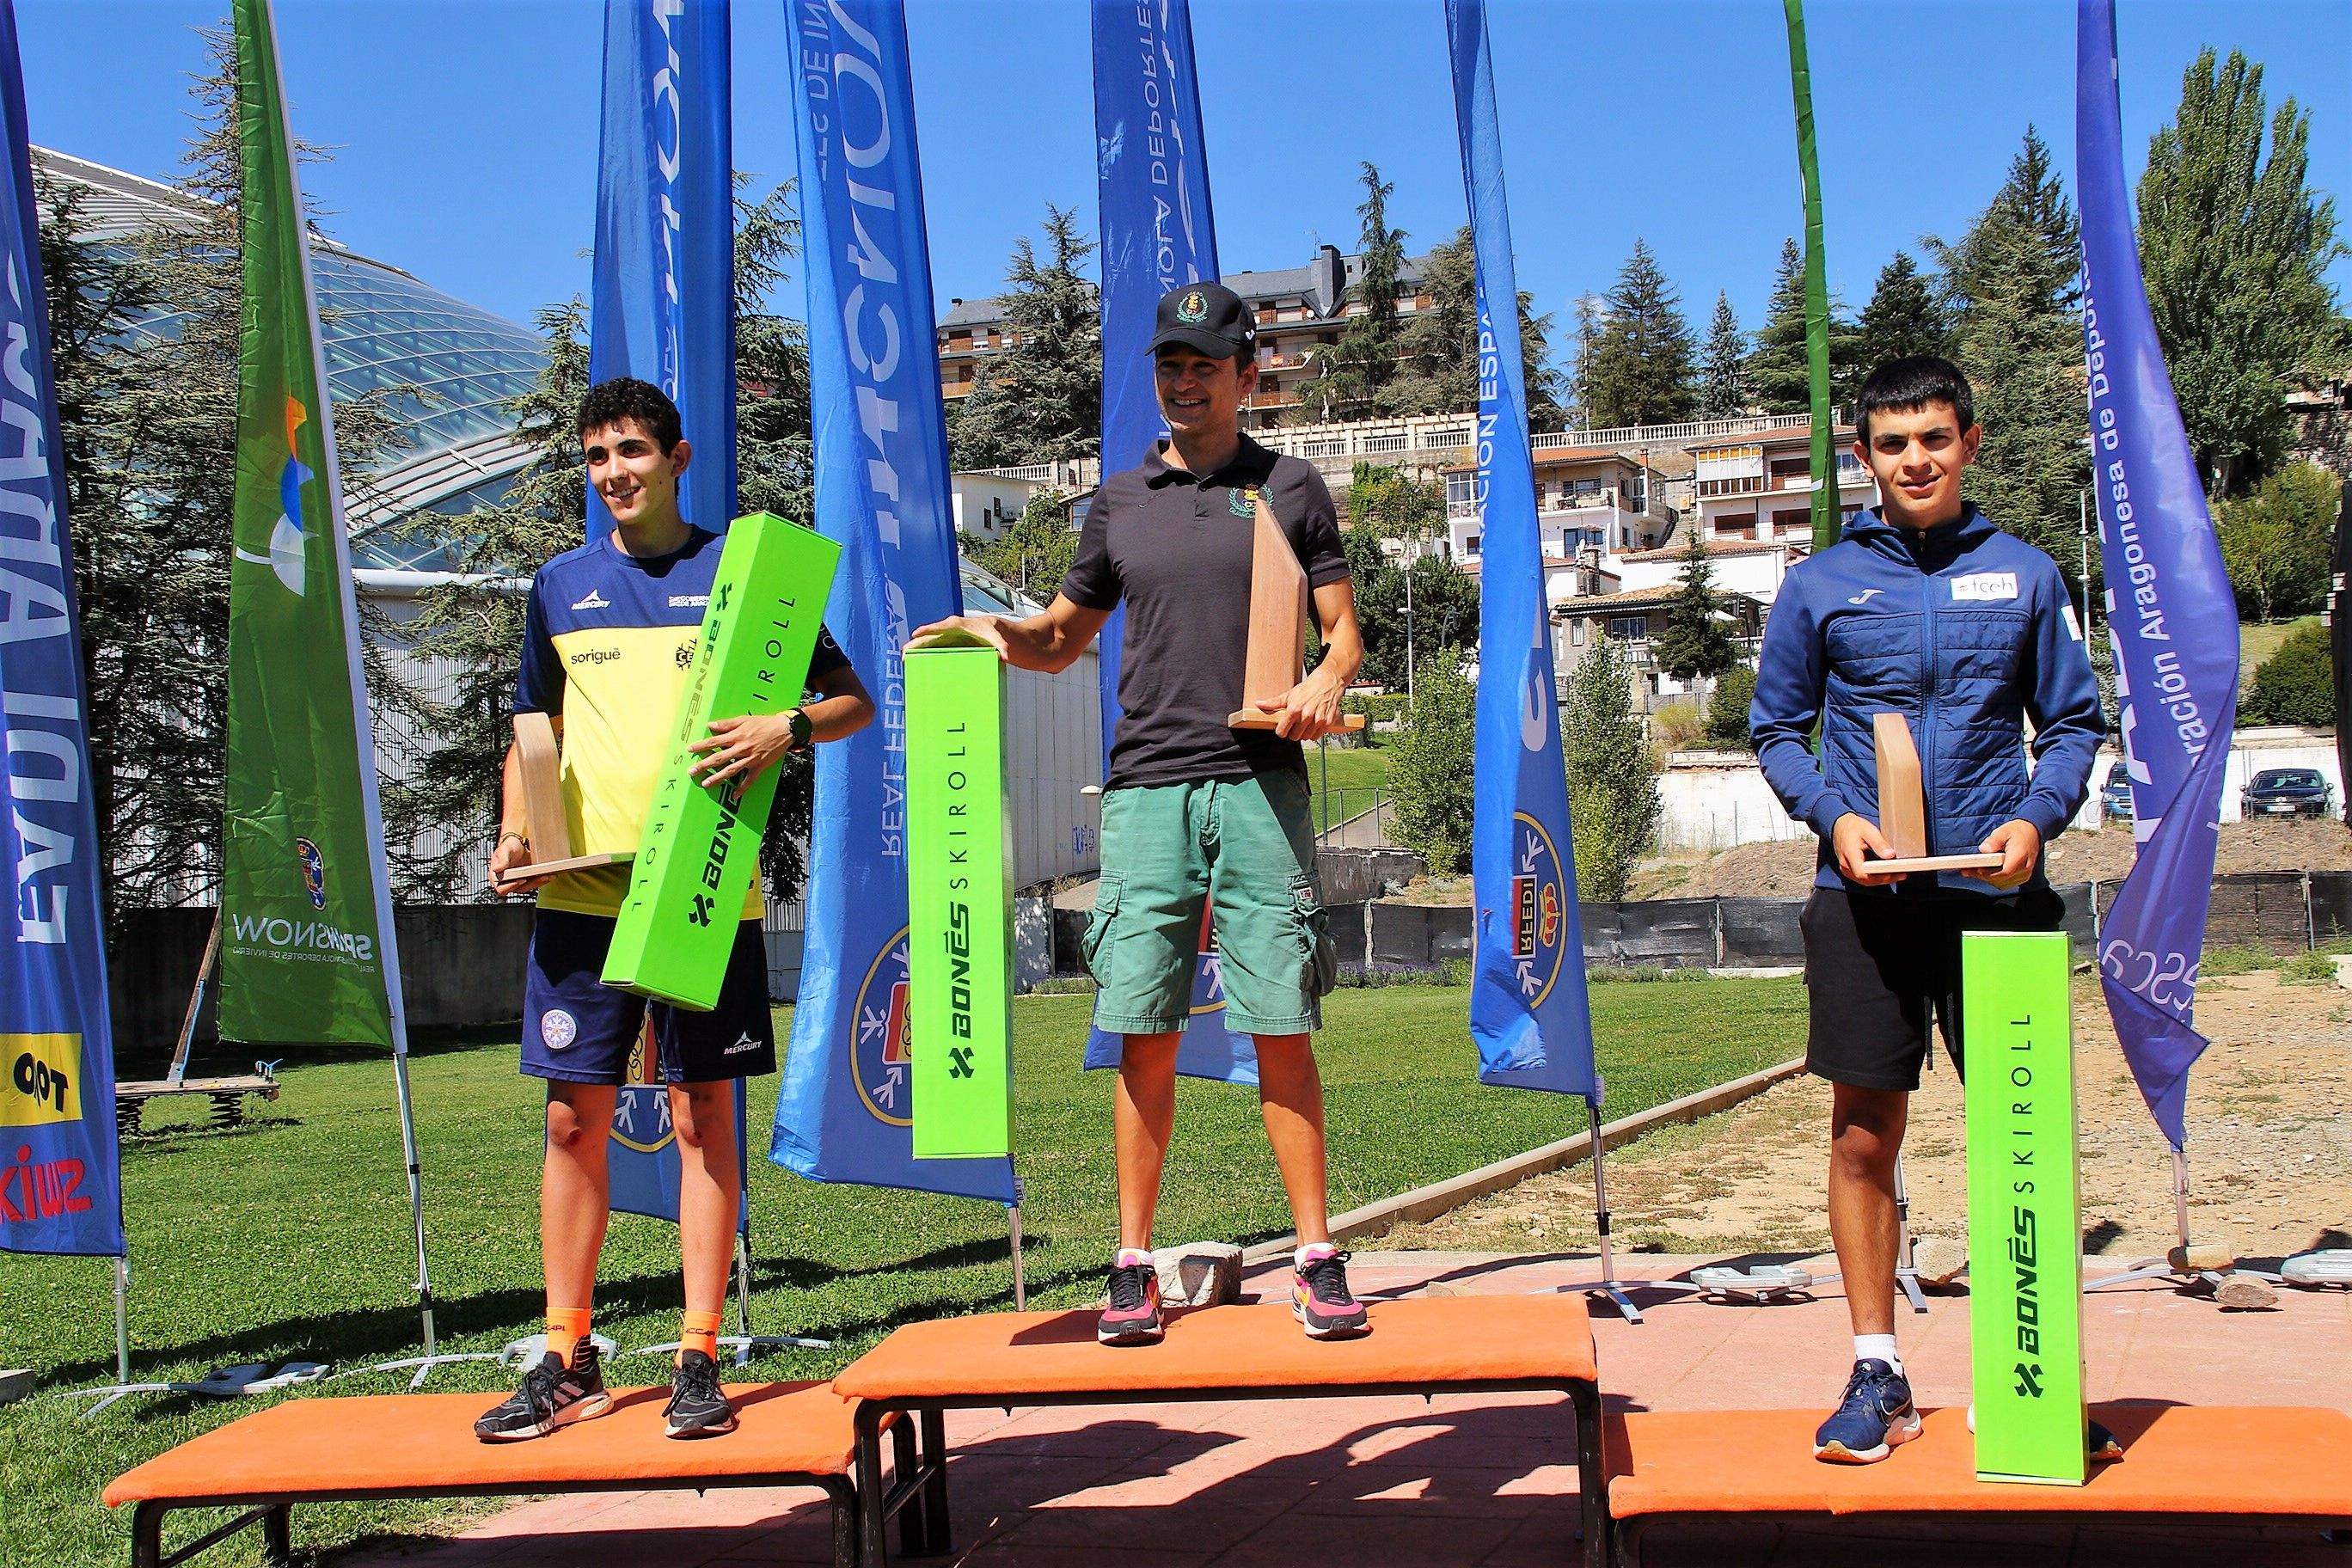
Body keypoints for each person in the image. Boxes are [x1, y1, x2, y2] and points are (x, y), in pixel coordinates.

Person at [913, 281, 1369, 1344]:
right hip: (1147, 787)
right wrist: (996, 633)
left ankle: (1316, 1254)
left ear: (1247, 377)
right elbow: (1063, 636)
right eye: (1171, 364)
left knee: (1280, 1023)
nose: (1185, 381)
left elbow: (1341, 633)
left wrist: (1326, 682)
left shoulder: (1291, 489)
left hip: (1260, 783)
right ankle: (1130, 1263)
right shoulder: (1117, 502)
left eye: (1206, 364)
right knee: (1141, 1029)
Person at [476, 377, 873, 1442]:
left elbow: (853, 699)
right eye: (598, 456)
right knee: (574, 1119)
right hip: (586, 895)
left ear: (678, 457)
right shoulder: (560, 584)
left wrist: (784, 726)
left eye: (633, 452)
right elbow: (533, 726)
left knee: (702, 1119)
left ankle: (698, 1355)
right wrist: (518, 829)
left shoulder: (742, 580)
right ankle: (567, 1352)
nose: (615, 473)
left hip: (702, 892)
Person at [1749, 355, 2104, 1464]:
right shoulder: (1820, 582)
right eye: (1893, 444)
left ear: (1970, 444)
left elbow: (2078, 725)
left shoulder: (2027, 575)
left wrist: (2038, 819)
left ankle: (2027, 1375)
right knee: (1864, 1136)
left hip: (1997, 900)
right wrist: (1833, 821)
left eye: (1934, 439)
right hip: (1866, 902)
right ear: (1865, 457)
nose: (1915, 460)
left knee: (2019, 1140)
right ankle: (1878, 1373)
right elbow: (1774, 731)